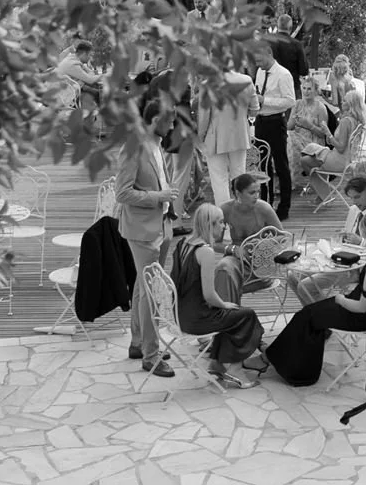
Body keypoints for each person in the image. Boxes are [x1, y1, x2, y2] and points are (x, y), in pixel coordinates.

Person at [260, 204, 366, 420]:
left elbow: (362, 307)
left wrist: (340, 299)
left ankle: (295, 370)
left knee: (306, 316)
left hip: (360, 315)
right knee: (310, 314)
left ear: (364, 232)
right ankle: (285, 360)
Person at [164, 203, 265, 387]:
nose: (224, 226)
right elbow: (209, 296)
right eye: (220, 222)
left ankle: (218, 364)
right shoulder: (206, 253)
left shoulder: (182, 244)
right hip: (196, 318)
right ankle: (235, 370)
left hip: (180, 314)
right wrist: (224, 304)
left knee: (231, 316)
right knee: (245, 316)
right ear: (209, 225)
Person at [116, 97, 180, 375]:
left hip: (161, 223)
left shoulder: (156, 145)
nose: (174, 124)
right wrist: (158, 197)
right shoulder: (132, 147)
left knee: (144, 288)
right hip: (142, 230)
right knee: (152, 291)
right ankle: (151, 356)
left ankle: (138, 342)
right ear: (155, 121)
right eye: (170, 120)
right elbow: (123, 193)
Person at [291, 175, 366, 305]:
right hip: (340, 259)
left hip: (356, 269)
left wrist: (361, 242)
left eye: (357, 197)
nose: (354, 202)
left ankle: (324, 315)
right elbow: (347, 237)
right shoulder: (353, 210)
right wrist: (343, 237)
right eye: (351, 198)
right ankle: (313, 315)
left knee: (304, 286)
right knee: (292, 276)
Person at [250, 41, 297, 220]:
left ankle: (284, 206)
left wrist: (265, 100)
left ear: (269, 54)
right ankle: (265, 203)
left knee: (280, 165)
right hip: (261, 121)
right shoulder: (260, 72)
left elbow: (290, 101)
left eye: (259, 59)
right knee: (262, 165)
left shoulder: (283, 74)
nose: (257, 64)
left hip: (276, 122)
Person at [199, 72, 255, 213]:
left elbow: (204, 117)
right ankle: (243, 213)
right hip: (240, 135)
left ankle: (224, 217)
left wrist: (200, 138)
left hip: (215, 136)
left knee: (219, 180)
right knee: (240, 177)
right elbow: (255, 109)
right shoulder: (246, 80)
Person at [221, 171, 282, 246]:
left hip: (262, 253)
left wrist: (265, 243)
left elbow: (282, 236)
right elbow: (215, 242)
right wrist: (233, 249)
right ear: (238, 193)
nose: (256, 196)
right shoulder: (225, 209)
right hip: (236, 253)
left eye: (258, 192)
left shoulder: (264, 208)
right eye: (252, 193)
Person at [326, 54, 366, 135]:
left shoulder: (334, 78)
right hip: (357, 113)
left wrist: (323, 97)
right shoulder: (350, 77)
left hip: (344, 114)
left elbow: (335, 103)